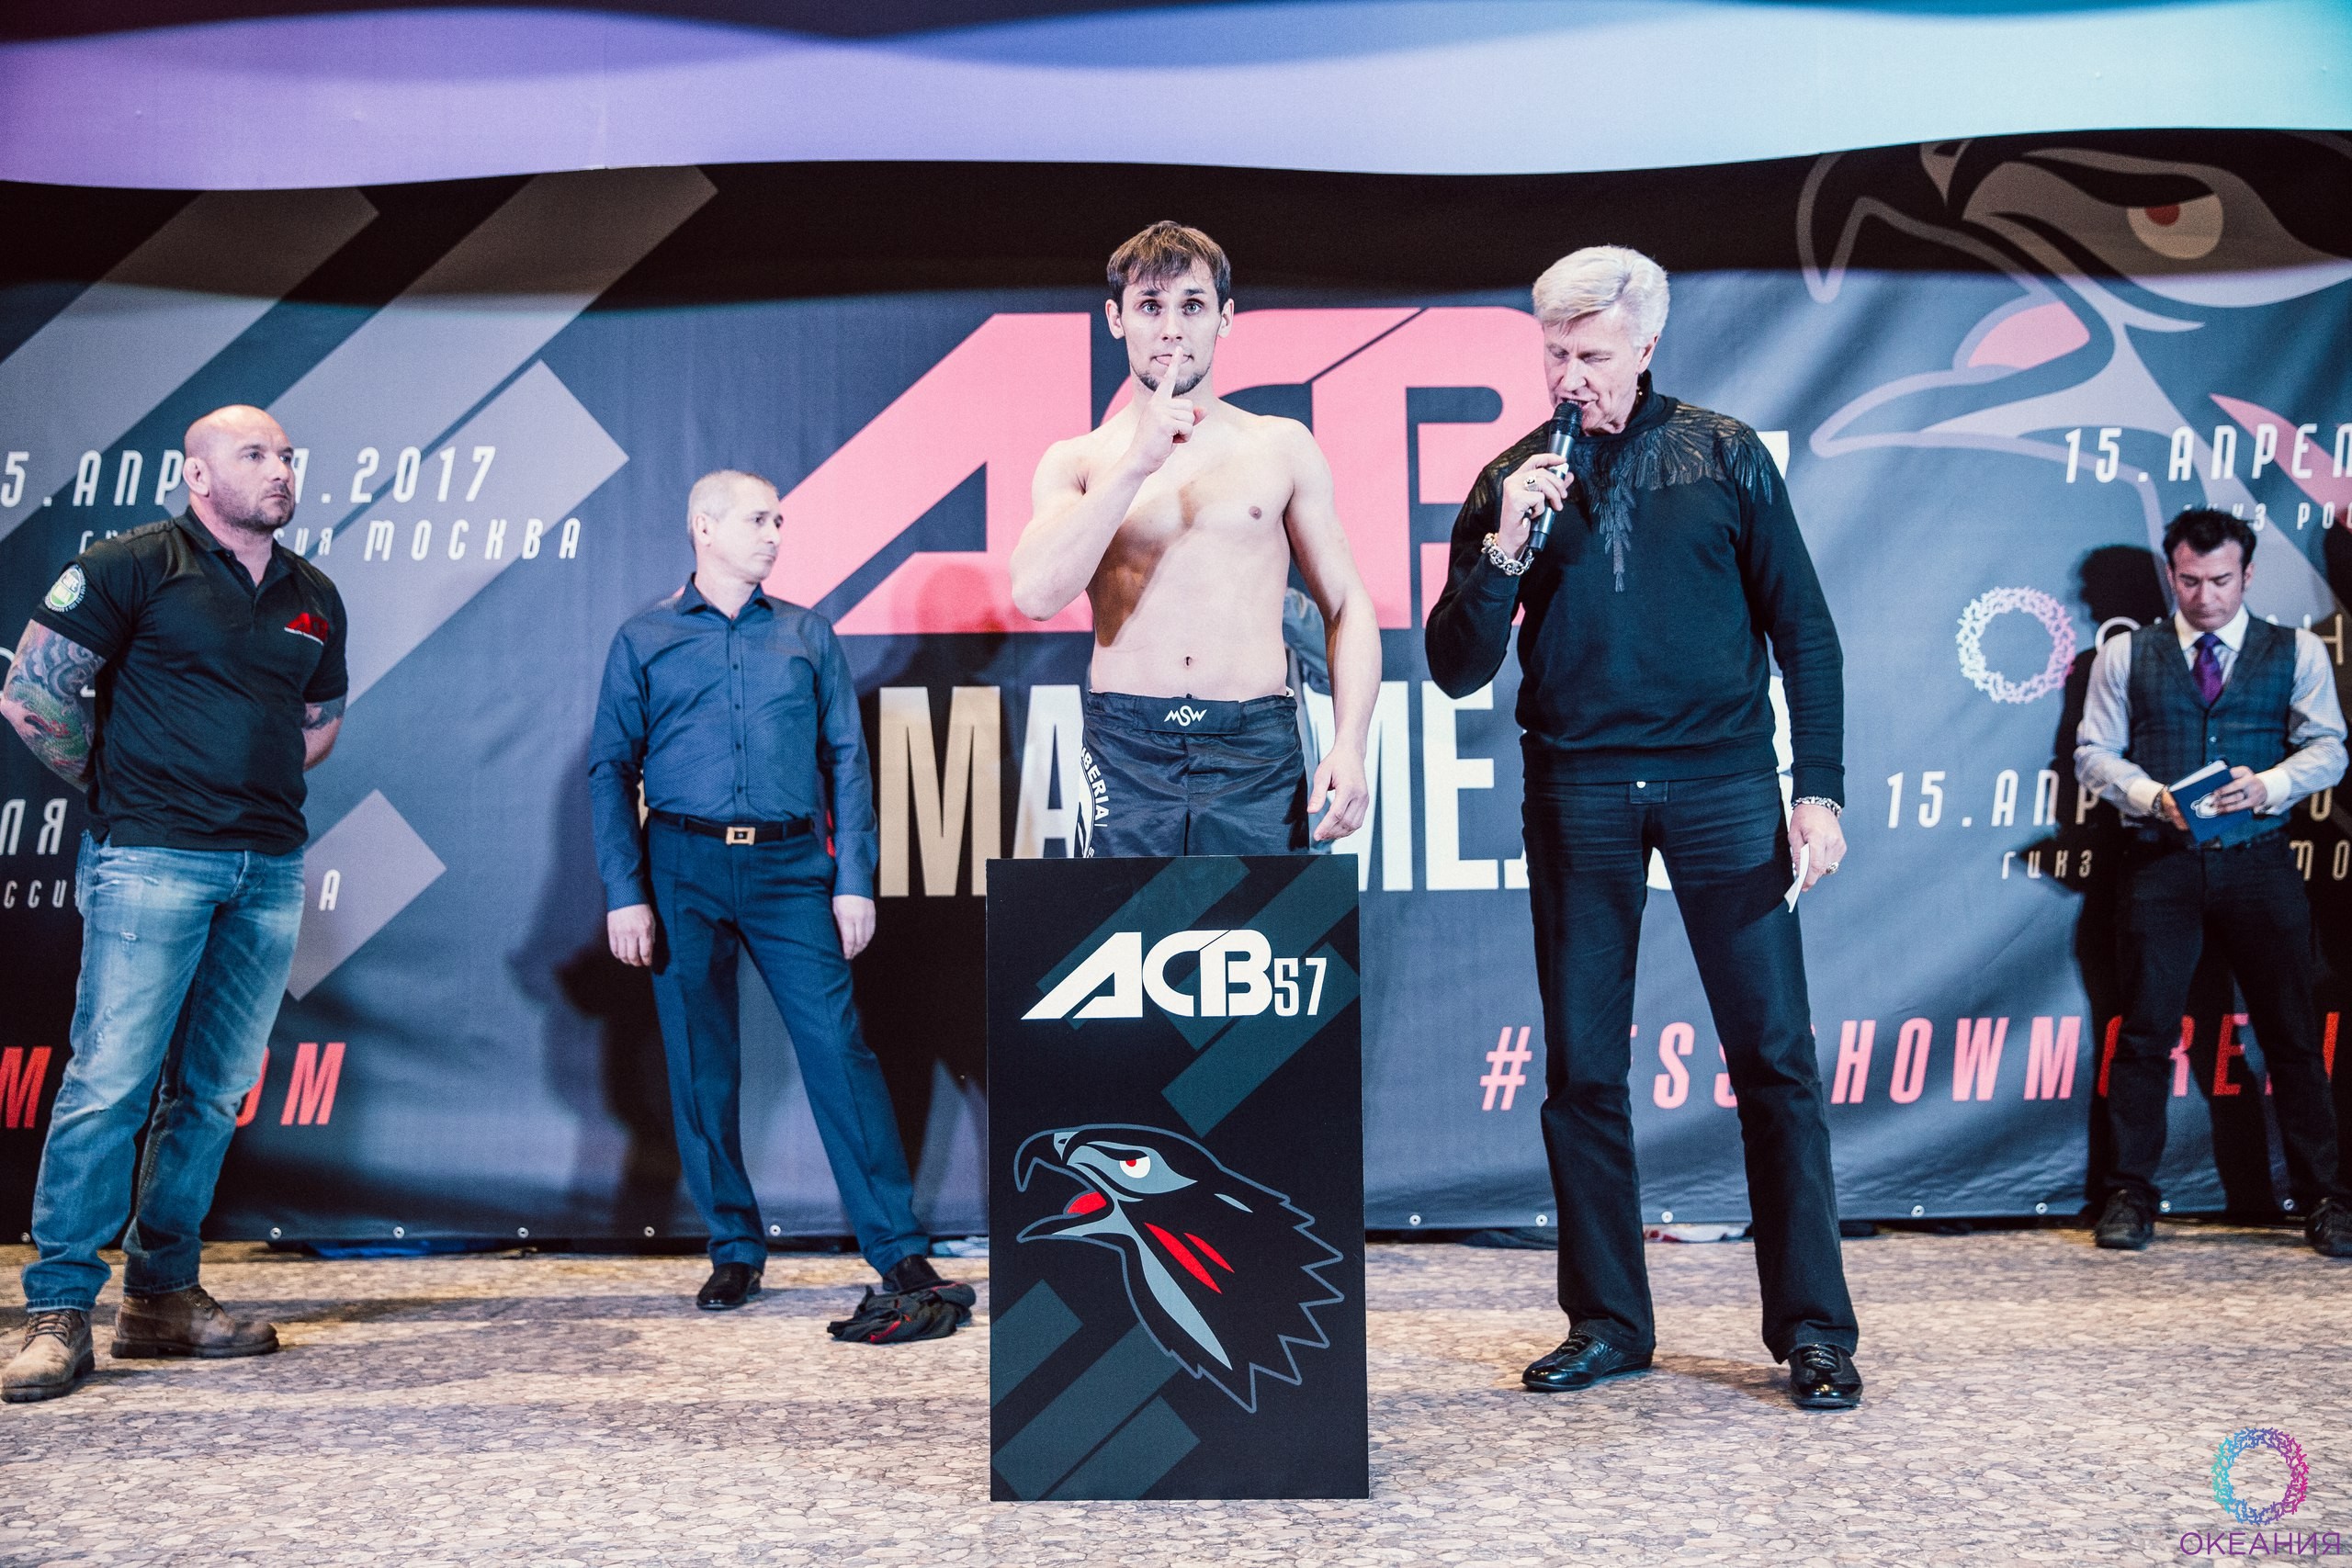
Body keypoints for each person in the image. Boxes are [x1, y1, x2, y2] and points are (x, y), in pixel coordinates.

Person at [1426, 246, 1863, 1410]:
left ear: (1646, 347)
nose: (1570, 376)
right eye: (1555, 354)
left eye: (1593, 354)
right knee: (1581, 1070)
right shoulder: (1511, 477)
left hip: (1723, 786)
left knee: (1775, 1060)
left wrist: (1815, 790)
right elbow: (1455, 666)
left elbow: (1805, 635)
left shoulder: (1723, 452)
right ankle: (1609, 1321)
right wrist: (1505, 545)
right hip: (1576, 790)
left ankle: (1814, 1330)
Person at [0, 406, 345, 1403]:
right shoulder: (129, 565)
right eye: (256, 455)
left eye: (288, 455)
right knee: (110, 1081)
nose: (281, 470)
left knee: (213, 1090)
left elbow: (318, 722)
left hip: (267, 868)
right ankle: (59, 1309)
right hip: (149, 857)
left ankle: (160, 1297)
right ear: (197, 474)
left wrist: (243, 778)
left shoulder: (313, 593)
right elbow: (32, 696)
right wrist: (122, 785)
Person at [589, 470, 971, 1338]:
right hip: (680, 865)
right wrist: (625, 890)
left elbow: (849, 761)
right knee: (700, 1061)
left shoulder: (806, 633)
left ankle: (897, 1248)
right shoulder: (643, 637)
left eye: (779, 520)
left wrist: (854, 877)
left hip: (792, 866)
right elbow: (610, 768)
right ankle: (733, 1245)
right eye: (759, 519)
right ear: (704, 526)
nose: (774, 534)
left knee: (838, 1048)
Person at [1010, 220, 1378, 855]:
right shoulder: (1079, 460)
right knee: (1121, 923)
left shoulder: (1281, 446)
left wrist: (1350, 745)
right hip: (1127, 749)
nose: (1172, 329)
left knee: (1267, 922)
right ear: (1117, 319)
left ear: (1224, 318)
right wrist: (1136, 462)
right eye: (1150, 306)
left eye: (1193, 306)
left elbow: (1347, 604)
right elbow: (1036, 594)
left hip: (1255, 748)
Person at [2074, 507, 2351, 1257]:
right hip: (2159, 864)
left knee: (2293, 1035)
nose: (2206, 596)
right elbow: (2093, 753)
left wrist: (2269, 785)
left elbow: (2330, 747)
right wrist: (2149, 796)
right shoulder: (2125, 655)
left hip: (2260, 861)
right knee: (2143, 1034)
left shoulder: (2296, 650)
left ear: (2248, 574)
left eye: (2221, 580)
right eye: (2190, 581)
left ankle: (2326, 1197)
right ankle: (2128, 1193)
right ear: (2172, 574)